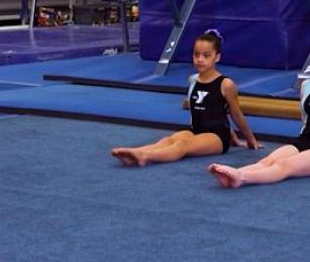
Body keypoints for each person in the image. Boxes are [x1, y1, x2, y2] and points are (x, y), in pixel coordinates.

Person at [111, 29, 259, 166]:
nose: (200, 59)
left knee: (182, 146)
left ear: (217, 57)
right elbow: (209, 111)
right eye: (196, 54)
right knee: (170, 139)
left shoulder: (225, 84)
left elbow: (236, 114)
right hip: (195, 130)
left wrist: (250, 140)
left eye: (206, 56)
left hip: (217, 137)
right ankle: (137, 152)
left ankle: (146, 156)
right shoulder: (193, 80)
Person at [209, 79, 310, 188]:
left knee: (284, 165)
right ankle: (234, 173)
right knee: (267, 161)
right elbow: (305, 119)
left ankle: (241, 177)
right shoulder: (307, 85)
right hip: (305, 139)